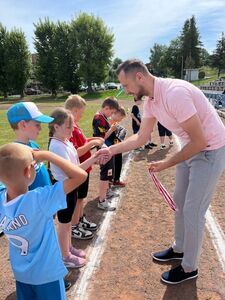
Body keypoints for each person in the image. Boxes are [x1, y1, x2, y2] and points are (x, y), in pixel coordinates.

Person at [97, 59, 225, 284]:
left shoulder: (174, 93)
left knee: (193, 209)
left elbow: (200, 141)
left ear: (139, 77)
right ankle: (180, 248)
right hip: (191, 146)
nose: (124, 91)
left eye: (125, 85)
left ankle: (189, 268)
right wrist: (110, 150)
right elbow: (141, 137)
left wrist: (165, 164)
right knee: (179, 200)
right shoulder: (151, 101)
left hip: (210, 149)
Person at [0, 143, 87, 300]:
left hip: (21, 274)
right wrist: (47, 155)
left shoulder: (1, 200)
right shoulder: (39, 199)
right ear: (28, 172)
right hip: (47, 275)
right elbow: (80, 175)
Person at [6, 102, 72, 290]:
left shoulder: (33, 145)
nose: (41, 128)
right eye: (37, 124)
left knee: (47, 245)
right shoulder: (14, 154)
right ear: (22, 125)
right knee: (38, 249)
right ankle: (44, 280)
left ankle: (51, 275)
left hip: (44, 208)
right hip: (32, 212)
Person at [48, 108, 99, 266]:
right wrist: (94, 158)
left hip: (71, 188)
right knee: (64, 223)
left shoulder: (66, 142)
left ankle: (68, 247)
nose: (72, 129)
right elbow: (74, 172)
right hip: (64, 189)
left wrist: (93, 159)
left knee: (68, 222)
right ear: (56, 127)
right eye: (69, 126)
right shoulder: (56, 147)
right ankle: (65, 256)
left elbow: (76, 165)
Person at [65, 95, 104, 239]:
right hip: (79, 169)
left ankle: (80, 219)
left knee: (81, 198)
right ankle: (74, 226)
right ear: (74, 111)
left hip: (84, 169)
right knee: (77, 200)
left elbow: (82, 142)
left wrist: (93, 139)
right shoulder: (69, 129)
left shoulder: (75, 126)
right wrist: (93, 144)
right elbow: (77, 150)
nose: (82, 115)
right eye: (81, 113)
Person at [92, 97, 119, 210]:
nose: (111, 115)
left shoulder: (103, 117)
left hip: (108, 149)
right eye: (111, 112)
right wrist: (112, 129)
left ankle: (106, 191)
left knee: (109, 172)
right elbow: (101, 138)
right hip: (104, 150)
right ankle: (102, 200)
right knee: (105, 174)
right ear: (106, 108)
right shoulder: (99, 118)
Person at [109, 106, 127, 187]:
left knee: (118, 162)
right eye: (121, 118)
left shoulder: (115, 122)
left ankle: (116, 179)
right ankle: (110, 180)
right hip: (111, 148)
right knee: (111, 165)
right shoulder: (109, 122)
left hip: (116, 147)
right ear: (116, 114)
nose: (121, 120)